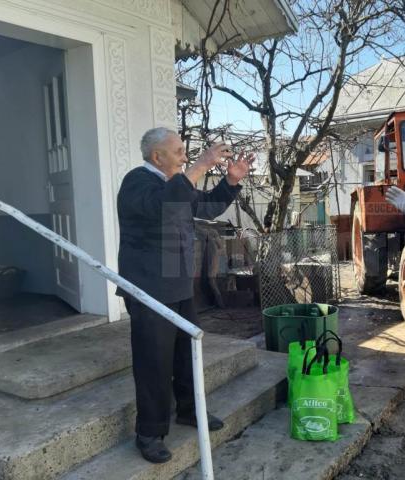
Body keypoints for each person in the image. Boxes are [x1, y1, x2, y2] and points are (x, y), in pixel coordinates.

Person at [116, 127, 254, 464]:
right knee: (153, 363)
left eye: (184, 150)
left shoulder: (175, 182)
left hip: (177, 285)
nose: (184, 156)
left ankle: (190, 411)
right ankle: (149, 432)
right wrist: (203, 164)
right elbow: (164, 204)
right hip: (148, 289)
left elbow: (206, 207)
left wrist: (231, 182)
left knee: (186, 354)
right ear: (156, 157)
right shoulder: (138, 182)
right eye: (177, 151)